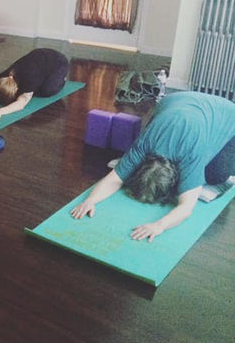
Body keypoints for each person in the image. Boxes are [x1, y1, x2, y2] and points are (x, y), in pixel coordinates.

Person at [70, 91, 235, 242]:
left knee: (216, 176)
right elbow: (113, 180)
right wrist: (90, 201)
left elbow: (186, 208)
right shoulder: (143, 145)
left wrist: (159, 226)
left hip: (228, 114)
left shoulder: (191, 157)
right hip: (174, 101)